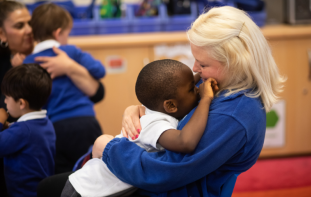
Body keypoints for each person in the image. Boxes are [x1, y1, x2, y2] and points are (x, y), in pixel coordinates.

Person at [37, 6, 286, 197]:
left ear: (236, 62)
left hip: (161, 185)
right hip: (146, 173)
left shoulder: (234, 114)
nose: (195, 69)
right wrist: (136, 109)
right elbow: (170, 106)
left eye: (204, 63)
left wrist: (107, 147)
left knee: (50, 188)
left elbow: (167, 171)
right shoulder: (220, 85)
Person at [60, 59, 218, 197]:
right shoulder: (153, 123)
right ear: (170, 105)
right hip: (85, 190)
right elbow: (186, 142)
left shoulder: (160, 108)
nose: (198, 89)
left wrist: (204, 78)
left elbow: (182, 86)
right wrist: (205, 99)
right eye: (193, 89)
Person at [22, 3, 106, 174]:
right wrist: (74, 62)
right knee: (95, 170)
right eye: (67, 33)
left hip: (52, 128)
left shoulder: (28, 62)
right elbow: (99, 70)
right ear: (58, 33)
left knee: (62, 176)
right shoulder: (71, 51)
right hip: (84, 122)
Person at [0, 64, 55, 197]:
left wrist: (0, 121)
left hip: (23, 193)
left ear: (21, 103)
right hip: (40, 190)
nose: (5, 101)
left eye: (7, 97)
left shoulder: (23, 131)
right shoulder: (45, 122)